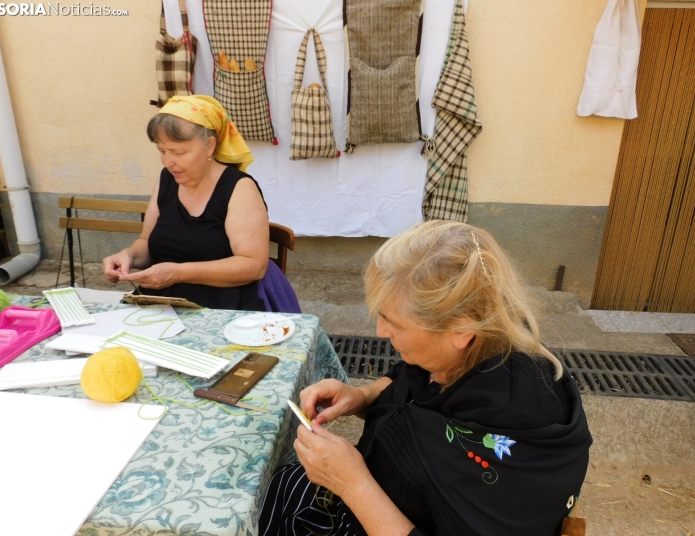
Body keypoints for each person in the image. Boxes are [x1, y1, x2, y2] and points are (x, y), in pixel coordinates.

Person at [260, 221, 592, 536]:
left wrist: (353, 483)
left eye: (394, 323)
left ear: (460, 329)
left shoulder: (511, 422)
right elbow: (407, 385)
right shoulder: (456, 350)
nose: (380, 331)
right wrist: (360, 397)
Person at [103, 95, 292, 311]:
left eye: (178, 152)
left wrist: (178, 273)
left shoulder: (239, 189)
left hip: (224, 307)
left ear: (210, 146)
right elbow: (147, 241)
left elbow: (253, 266)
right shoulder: (167, 179)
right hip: (163, 303)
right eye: (162, 151)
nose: (168, 161)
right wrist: (127, 256)